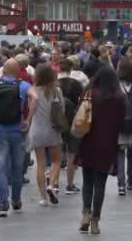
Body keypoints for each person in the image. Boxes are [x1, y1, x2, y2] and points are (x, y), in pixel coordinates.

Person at [0, 59, 37, 218]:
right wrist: (28, 119)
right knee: (17, 167)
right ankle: (16, 200)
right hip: (17, 130)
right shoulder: (23, 85)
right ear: (18, 71)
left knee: (1, 167)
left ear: (4, 70)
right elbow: (35, 98)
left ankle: (3, 202)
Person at [77, 67, 125, 235]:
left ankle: (85, 214)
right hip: (107, 144)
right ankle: (96, 220)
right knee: (100, 184)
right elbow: (122, 123)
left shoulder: (88, 94)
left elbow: (79, 115)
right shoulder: (118, 98)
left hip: (88, 141)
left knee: (87, 182)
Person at [28, 63, 64, 206]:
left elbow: (29, 108)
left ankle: (43, 197)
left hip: (37, 130)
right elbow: (62, 108)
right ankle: (52, 184)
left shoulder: (32, 91)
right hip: (53, 129)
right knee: (56, 160)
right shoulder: (56, 91)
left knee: (40, 164)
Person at [57, 58, 84, 194]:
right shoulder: (76, 84)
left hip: (56, 121)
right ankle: (70, 184)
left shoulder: (54, 84)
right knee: (71, 153)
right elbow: (82, 101)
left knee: (55, 152)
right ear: (70, 69)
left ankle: (54, 183)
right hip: (72, 120)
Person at [116, 59, 132, 195]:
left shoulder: (116, 86)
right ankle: (131, 182)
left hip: (119, 123)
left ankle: (121, 185)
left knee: (119, 154)